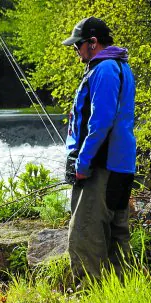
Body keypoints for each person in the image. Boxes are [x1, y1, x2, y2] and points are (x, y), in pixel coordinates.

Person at [62, 17, 136, 281]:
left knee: (84, 235)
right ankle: (122, 294)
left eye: (78, 45)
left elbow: (101, 122)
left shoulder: (104, 69)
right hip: (121, 164)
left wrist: (82, 164)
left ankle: (89, 298)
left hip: (100, 167)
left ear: (93, 43)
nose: (76, 51)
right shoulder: (121, 67)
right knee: (117, 235)